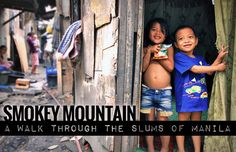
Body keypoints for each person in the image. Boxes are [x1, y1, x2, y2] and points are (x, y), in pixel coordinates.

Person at [174, 25, 227, 152]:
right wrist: (217, 68)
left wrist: (219, 58)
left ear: (196, 40)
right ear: (176, 44)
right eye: (181, 39)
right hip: (186, 99)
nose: (186, 40)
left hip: (200, 98)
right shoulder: (179, 57)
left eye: (190, 37)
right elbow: (195, 69)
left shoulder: (200, 59)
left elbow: (208, 72)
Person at [141, 18, 174, 152]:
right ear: (148, 32)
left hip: (164, 91)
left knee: (163, 121)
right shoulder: (144, 48)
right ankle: (150, 148)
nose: (157, 33)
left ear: (166, 34)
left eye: (161, 30)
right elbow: (143, 68)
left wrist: (158, 54)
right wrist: (149, 52)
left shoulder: (169, 48)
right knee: (149, 121)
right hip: (147, 91)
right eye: (154, 29)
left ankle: (164, 148)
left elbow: (171, 67)